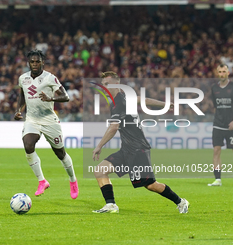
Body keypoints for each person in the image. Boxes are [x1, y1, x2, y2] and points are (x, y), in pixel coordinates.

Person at [92, 71, 189, 214]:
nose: (103, 88)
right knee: (100, 170)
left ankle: (181, 202)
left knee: (150, 185)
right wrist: (163, 104)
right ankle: (111, 205)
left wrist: (99, 146)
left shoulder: (119, 103)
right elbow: (142, 99)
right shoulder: (123, 97)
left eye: (107, 84)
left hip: (138, 150)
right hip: (127, 149)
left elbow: (114, 127)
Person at [14, 49, 79, 199]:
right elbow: (22, 95)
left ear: (42, 62)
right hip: (32, 120)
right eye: (32, 62)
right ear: (28, 63)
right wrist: (19, 110)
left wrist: (51, 99)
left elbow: (65, 97)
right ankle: (42, 181)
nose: (35, 64)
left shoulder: (50, 78)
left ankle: (73, 180)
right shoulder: (23, 78)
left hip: (49, 120)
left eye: (38, 61)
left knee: (60, 153)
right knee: (28, 145)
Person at [208, 64, 233, 186]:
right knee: (216, 150)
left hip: (231, 125)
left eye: (224, 71)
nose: (222, 74)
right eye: (220, 71)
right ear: (217, 73)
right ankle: (218, 179)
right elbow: (215, 105)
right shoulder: (214, 88)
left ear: (228, 72)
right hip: (218, 124)